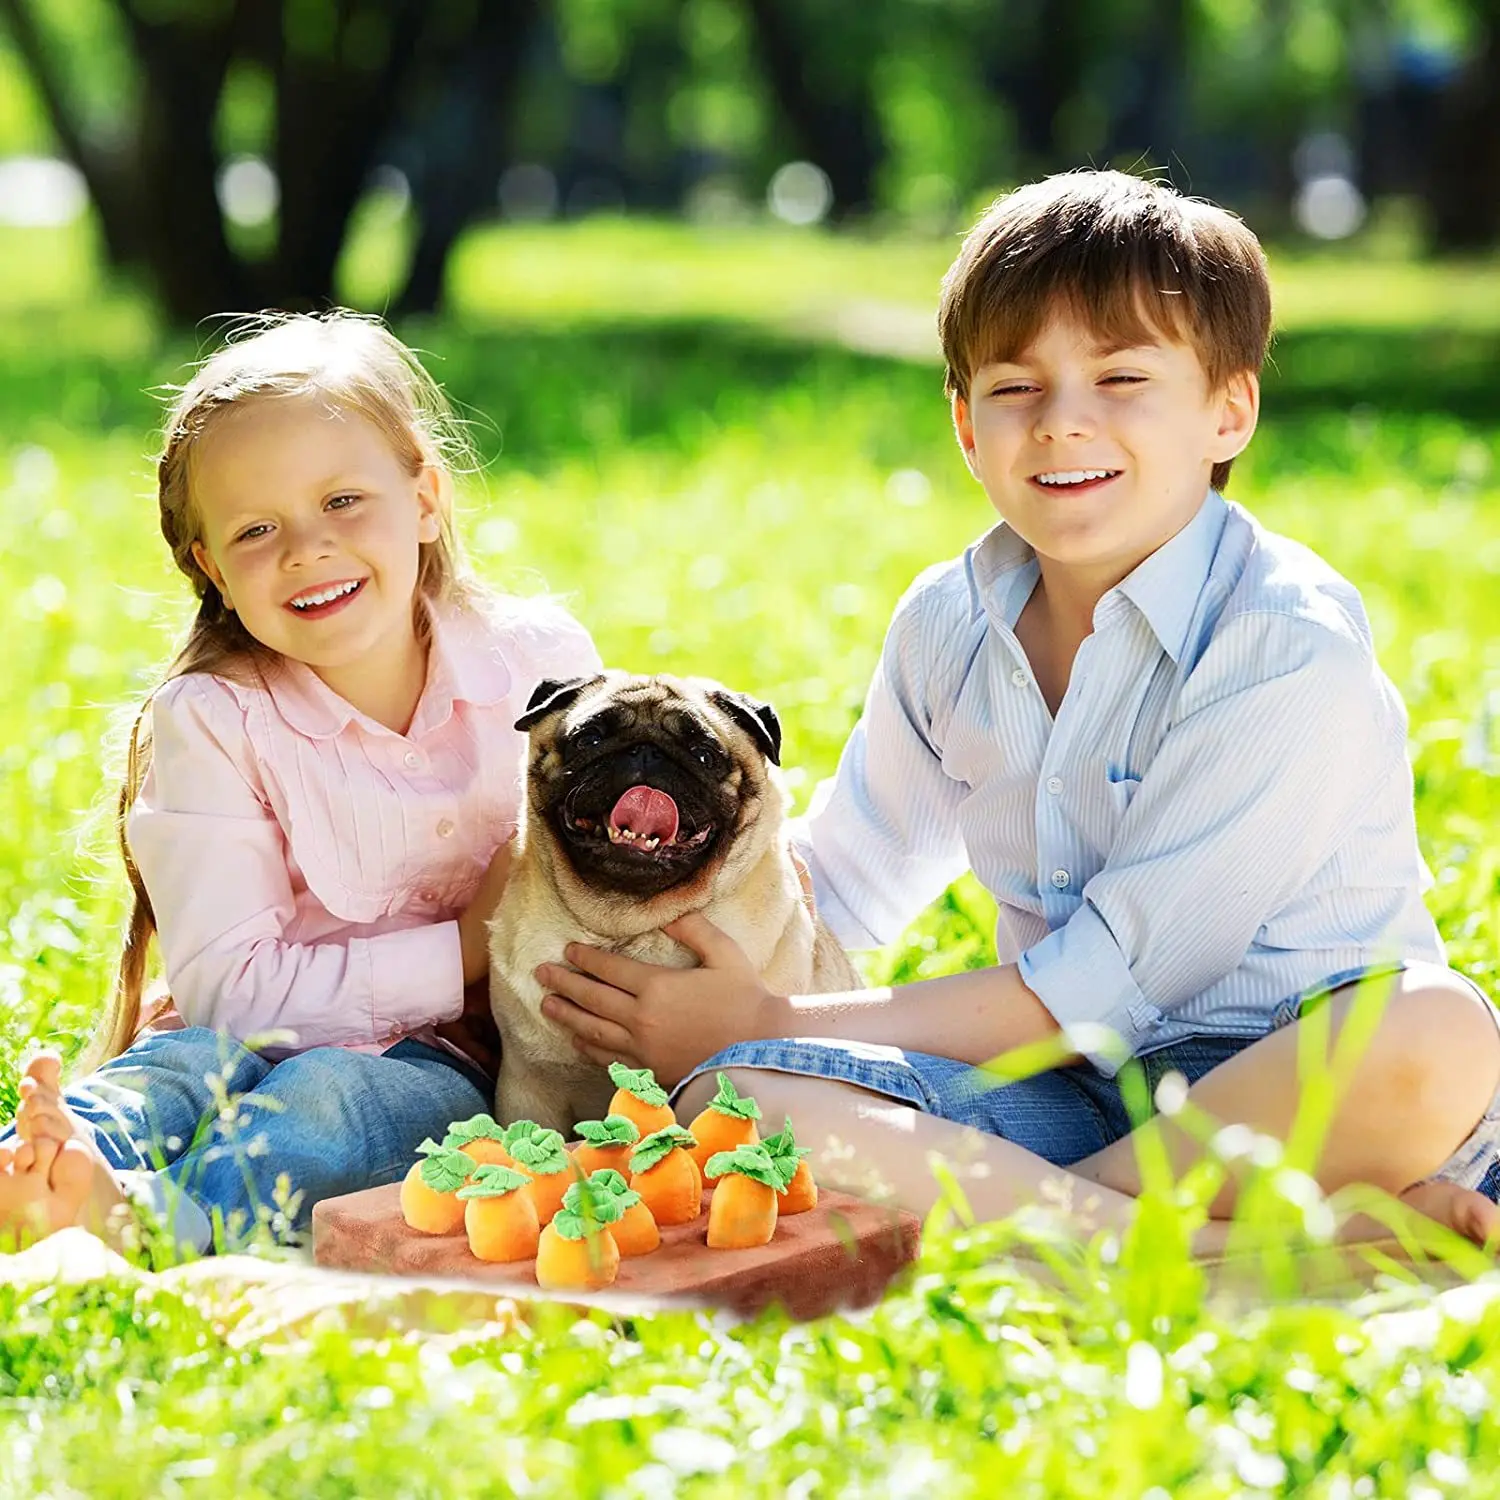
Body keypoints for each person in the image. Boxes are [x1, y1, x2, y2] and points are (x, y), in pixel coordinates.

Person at [535, 170, 1500, 1249]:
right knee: (739, 1099)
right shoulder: (951, 621)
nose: (1061, 424)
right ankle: (1220, 1248)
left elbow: (1110, 976)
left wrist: (772, 1020)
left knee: (1438, 1026)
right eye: (1015, 388)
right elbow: (845, 881)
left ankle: (1086, 1229)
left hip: (1298, 1080)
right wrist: (668, 970)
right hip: (1070, 1095)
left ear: (1229, 411)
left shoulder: (1283, 638)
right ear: (963, 424)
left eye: (1122, 377)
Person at [0, 311, 600, 1256]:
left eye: (345, 501)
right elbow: (232, 996)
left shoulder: (540, 665)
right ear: (212, 570)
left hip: (450, 1060)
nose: (306, 549)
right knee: (171, 1076)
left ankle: (152, 1221)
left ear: (427, 497)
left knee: (332, 1108)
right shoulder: (214, 716)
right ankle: (43, 1167)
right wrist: (462, 946)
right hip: (242, 1027)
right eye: (255, 529)